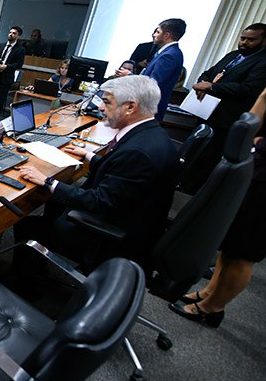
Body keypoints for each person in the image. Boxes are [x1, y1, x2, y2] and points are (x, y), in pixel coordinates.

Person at [14, 75, 180, 276]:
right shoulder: (151, 135)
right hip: (129, 220)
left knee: (27, 225)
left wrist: (48, 181)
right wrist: (89, 156)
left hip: (111, 238)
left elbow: (100, 201)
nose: (100, 107)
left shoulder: (138, 152)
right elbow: (120, 174)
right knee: (54, 202)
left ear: (130, 107)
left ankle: (24, 284)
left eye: (107, 102)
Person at [170, 86, 266, 328]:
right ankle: (209, 292)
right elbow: (250, 124)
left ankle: (212, 308)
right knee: (230, 243)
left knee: (243, 253)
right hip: (256, 170)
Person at [178, 23, 266, 192]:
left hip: (227, 120)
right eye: (242, 38)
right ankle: (180, 182)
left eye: (251, 40)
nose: (244, 42)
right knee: (193, 153)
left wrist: (212, 87)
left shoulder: (262, 62)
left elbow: (249, 89)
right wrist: (203, 83)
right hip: (206, 113)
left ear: (263, 41)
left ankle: (189, 192)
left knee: (208, 159)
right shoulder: (233, 55)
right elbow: (208, 73)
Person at [0, 26, 26, 123]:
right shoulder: (1, 45)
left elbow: (19, 64)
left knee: (1, 97)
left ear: (18, 36)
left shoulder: (20, 49)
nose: (11, 34)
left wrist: (7, 66)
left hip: (6, 76)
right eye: (10, 32)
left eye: (14, 33)